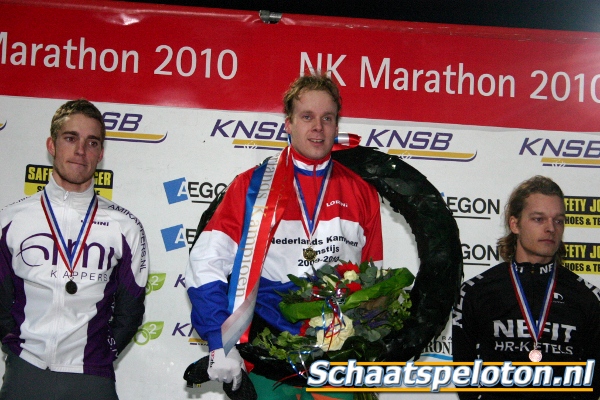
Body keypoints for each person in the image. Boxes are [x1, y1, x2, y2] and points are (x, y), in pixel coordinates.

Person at [185, 74, 383, 399]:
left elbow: (371, 283)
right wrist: (219, 342)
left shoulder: (362, 193)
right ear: (288, 123)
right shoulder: (251, 188)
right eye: (307, 117)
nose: (318, 127)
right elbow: (204, 266)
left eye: (327, 118)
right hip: (268, 363)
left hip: (335, 369)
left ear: (336, 126)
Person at [0, 99, 149, 399]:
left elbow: (130, 313)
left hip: (92, 377)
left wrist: (100, 354)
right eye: (70, 138)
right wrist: (17, 346)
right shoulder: (10, 220)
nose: (81, 150)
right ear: (51, 145)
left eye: (91, 142)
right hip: (25, 373)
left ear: (101, 153)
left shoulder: (126, 227)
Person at [452, 175, 600, 399]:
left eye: (558, 220)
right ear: (515, 224)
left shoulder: (587, 297)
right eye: (539, 219)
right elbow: (464, 377)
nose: (551, 228)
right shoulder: (475, 292)